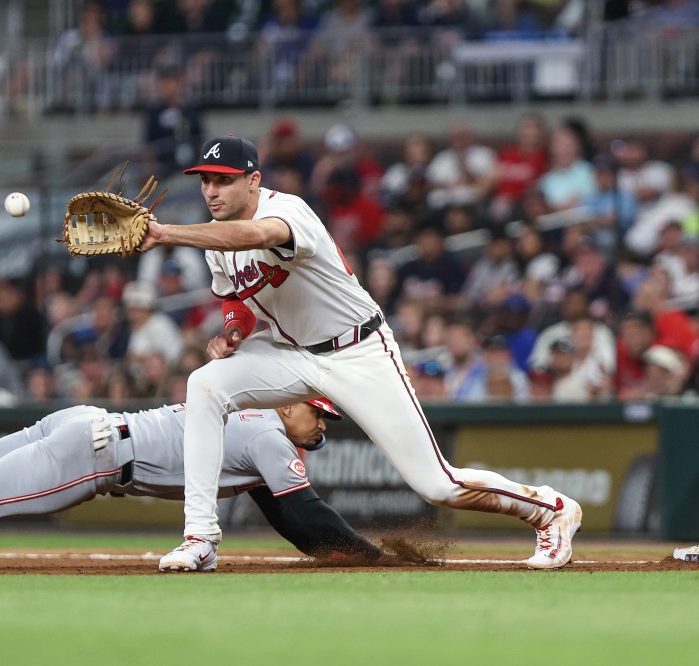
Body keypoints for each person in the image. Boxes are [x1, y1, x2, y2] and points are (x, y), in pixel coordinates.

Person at [139, 135, 583, 572]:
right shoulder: (215, 238)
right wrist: (234, 331)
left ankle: (553, 509)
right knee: (205, 384)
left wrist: (165, 233)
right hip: (292, 354)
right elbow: (236, 297)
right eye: (205, 181)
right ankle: (199, 538)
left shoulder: (287, 210)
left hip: (358, 351)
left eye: (223, 180)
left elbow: (254, 235)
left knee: (438, 485)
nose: (211, 190)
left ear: (253, 180)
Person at [0, 398, 380, 570]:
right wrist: (369, 557)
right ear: (298, 403)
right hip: (96, 456)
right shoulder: (272, 436)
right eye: (321, 415)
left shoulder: (247, 411)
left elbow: (283, 515)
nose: (322, 426)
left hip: (87, 421)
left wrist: (333, 551)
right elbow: (305, 515)